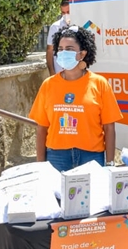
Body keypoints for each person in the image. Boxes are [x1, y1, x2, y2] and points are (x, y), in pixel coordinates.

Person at [30, 25, 122, 172]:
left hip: (91, 157)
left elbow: (109, 128)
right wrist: (40, 165)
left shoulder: (99, 84)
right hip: (56, 157)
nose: (63, 53)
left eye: (70, 49)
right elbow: (41, 128)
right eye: (60, 49)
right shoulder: (48, 85)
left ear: (82, 54)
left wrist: (110, 164)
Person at [46, 0, 71, 76]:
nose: (65, 15)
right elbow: (50, 50)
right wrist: (52, 72)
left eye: (68, 12)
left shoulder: (80, 25)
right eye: (63, 12)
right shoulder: (55, 27)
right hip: (59, 72)